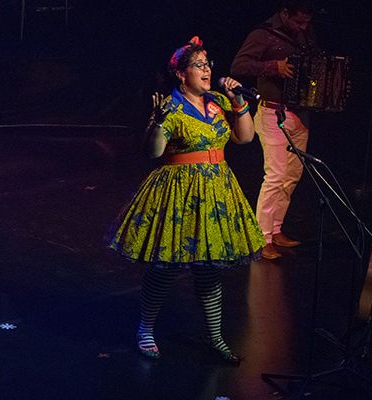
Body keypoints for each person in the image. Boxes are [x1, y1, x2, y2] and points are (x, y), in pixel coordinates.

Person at [107, 36, 264, 364]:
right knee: (166, 266)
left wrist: (238, 100)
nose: (208, 70)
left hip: (217, 190)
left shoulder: (219, 101)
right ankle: (145, 329)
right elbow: (153, 153)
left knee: (210, 268)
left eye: (209, 64)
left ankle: (216, 337)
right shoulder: (171, 107)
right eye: (200, 65)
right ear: (181, 73)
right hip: (179, 191)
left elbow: (245, 137)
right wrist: (158, 123)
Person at [231, 0, 316, 259]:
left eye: (306, 22)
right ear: (284, 14)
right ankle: (261, 237)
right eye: (298, 21)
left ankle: (275, 229)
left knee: (292, 176)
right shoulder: (263, 34)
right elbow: (239, 66)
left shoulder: (304, 35)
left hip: (300, 114)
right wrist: (273, 67)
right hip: (272, 112)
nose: (303, 27)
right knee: (276, 175)